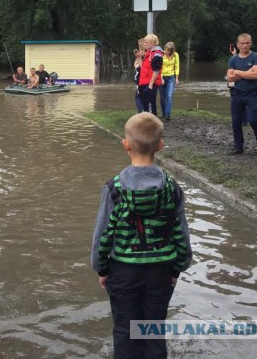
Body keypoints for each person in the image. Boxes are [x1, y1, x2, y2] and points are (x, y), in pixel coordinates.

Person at [91, 112, 192, 359]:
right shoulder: (172, 188)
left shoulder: (114, 188)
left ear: (125, 144)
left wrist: (101, 268)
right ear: (160, 145)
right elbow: (181, 233)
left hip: (122, 271)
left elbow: (102, 233)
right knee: (154, 331)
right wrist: (176, 269)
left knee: (125, 331)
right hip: (161, 271)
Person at [227, 33, 257, 155]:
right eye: (242, 43)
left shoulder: (256, 57)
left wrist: (238, 72)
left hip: (253, 93)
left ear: (251, 43)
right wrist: (246, 73)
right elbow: (229, 78)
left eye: (247, 43)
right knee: (236, 121)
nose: (245, 45)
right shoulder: (233, 59)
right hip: (237, 94)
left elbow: (255, 75)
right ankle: (239, 147)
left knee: (253, 120)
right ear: (238, 45)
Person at [138, 34, 164, 115]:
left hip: (150, 83)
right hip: (143, 82)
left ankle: (152, 122)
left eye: (146, 42)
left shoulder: (157, 54)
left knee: (150, 105)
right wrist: (139, 57)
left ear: (152, 43)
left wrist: (151, 84)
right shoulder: (149, 53)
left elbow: (156, 70)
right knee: (145, 104)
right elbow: (143, 68)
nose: (144, 43)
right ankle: (147, 121)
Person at [159, 42, 179, 121]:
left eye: (168, 51)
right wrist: (161, 78)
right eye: (165, 50)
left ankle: (168, 115)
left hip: (171, 77)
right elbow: (159, 67)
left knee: (169, 96)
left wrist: (177, 78)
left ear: (171, 51)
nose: (166, 52)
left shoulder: (175, 55)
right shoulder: (161, 55)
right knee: (162, 97)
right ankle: (163, 113)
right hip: (162, 77)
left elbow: (177, 66)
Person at [133, 39, 145, 113]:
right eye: (139, 48)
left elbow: (142, 68)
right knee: (138, 95)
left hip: (141, 81)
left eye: (141, 49)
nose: (140, 51)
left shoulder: (144, 57)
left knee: (138, 96)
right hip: (137, 81)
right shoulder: (140, 57)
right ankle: (142, 111)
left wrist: (139, 58)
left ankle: (141, 111)